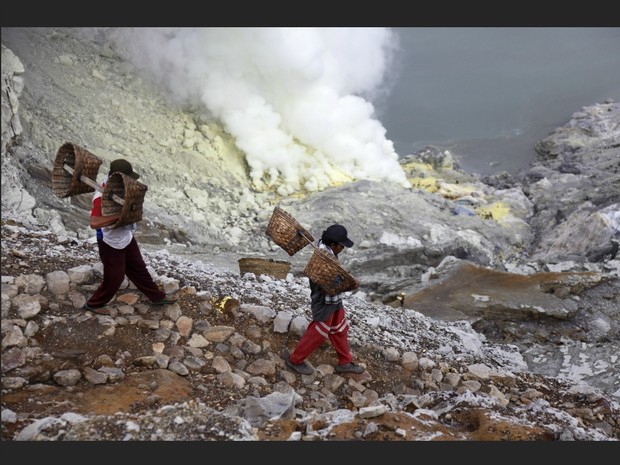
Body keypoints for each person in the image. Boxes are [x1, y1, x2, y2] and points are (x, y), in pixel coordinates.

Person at [83, 159, 178, 315]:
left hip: (126, 237)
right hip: (110, 242)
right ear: (119, 177)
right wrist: (120, 215)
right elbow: (94, 222)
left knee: (139, 268)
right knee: (115, 278)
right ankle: (94, 303)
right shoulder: (100, 196)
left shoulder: (120, 186)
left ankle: (157, 297)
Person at [284, 224, 365, 375]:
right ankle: (295, 360)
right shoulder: (322, 259)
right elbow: (329, 283)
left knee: (340, 328)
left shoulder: (327, 252)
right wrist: (351, 283)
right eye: (341, 246)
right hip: (324, 300)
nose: (342, 249)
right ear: (333, 244)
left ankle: (345, 362)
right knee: (319, 332)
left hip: (334, 298)